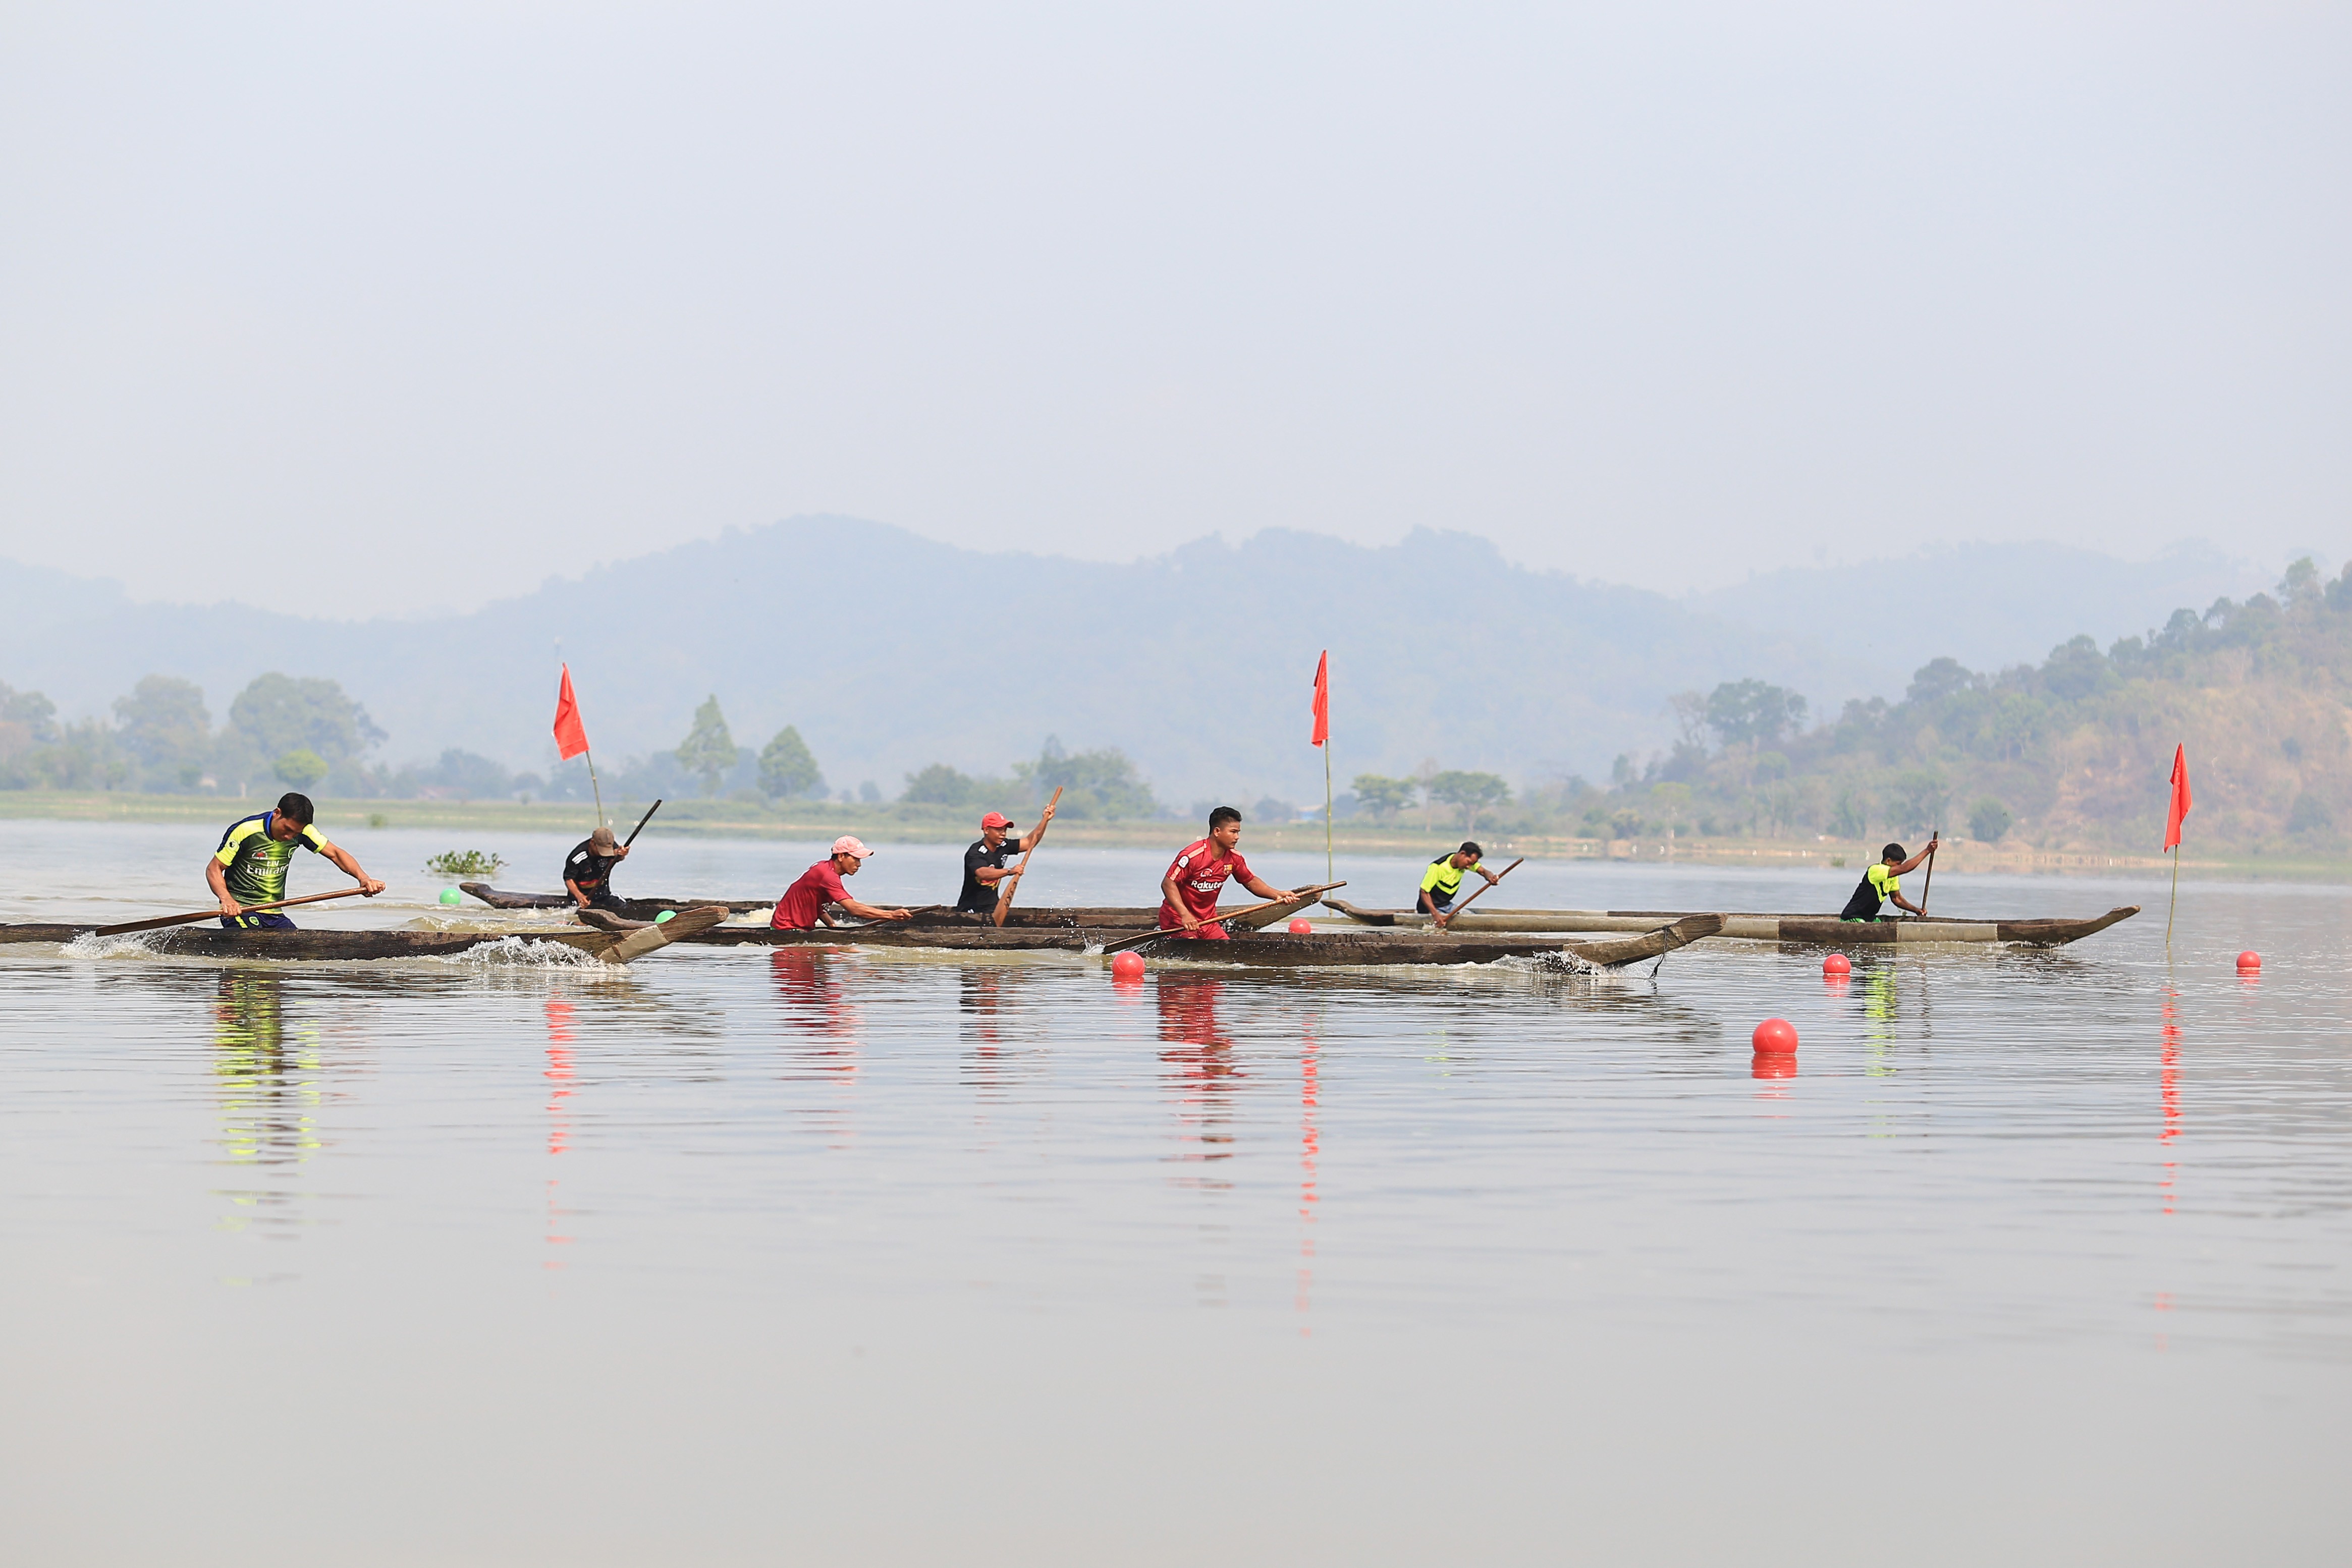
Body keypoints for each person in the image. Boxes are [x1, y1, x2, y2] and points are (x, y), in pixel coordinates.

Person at [208, 792, 385, 929]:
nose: (289, 836)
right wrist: (227, 900)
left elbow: (336, 854)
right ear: (277, 813)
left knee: (294, 943)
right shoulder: (246, 830)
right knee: (252, 945)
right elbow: (214, 869)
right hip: (240, 910)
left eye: (296, 833)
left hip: (274, 912)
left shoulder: (304, 831)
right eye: (287, 829)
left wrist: (364, 879)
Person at [1156, 806, 1308, 940]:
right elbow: (1168, 884)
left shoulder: (1234, 858)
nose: (1237, 837)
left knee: (1226, 948)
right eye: (1233, 832)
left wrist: (1277, 894)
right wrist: (1184, 914)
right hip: (1177, 919)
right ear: (1217, 831)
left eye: (1238, 832)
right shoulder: (1193, 855)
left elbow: (1251, 882)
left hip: (1208, 921)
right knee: (1192, 951)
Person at [772, 836, 915, 931]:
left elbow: (817, 906)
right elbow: (854, 909)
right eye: (856, 859)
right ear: (841, 856)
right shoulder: (827, 875)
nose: (859, 865)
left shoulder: (825, 868)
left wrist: (832, 926)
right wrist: (891, 915)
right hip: (787, 930)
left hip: (793, 928)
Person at [955, 801, 1059, 916]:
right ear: (987, 830)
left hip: (993, 907)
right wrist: (1010, 871)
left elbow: (1030, 842)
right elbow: (983, 873)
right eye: (998, 830)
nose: (1003, 833)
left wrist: (1045, 821)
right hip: (970, 908)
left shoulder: (1004, 846)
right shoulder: (975, 852)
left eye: (1004, 830)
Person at [1839, 837, 1939, 921]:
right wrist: (1927, 851)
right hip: (1853, 917)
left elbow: (1897, 898)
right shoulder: (1876, 870)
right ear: (1888, 861)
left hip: (1870, 919)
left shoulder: (1893, 876)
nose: (1899, 867)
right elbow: (1905, 869)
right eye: (1898, 864)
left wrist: (1916, 910)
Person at [1417, 841, 1502, 928]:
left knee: (1472, 918)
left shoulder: (1465, 863)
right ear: (1462, 854)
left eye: (1472, 864)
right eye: (1468, 863)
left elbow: (1484, 872)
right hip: (1430, 910)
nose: (1469, 867)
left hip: (1447, 906)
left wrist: (1491, 877)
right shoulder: (1438, 867)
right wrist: (1435, 915)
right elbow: (1424, 892)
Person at [564, 826, 630, 912]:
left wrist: (622, 855)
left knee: (624, 908)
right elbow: (569, 879)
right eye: (601, 850)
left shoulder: (613, 847)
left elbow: (617, 859)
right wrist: (580, 897)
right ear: (593, 843)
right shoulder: (578, 857)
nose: (604, 854)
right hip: (583, 898)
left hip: (603, 895)